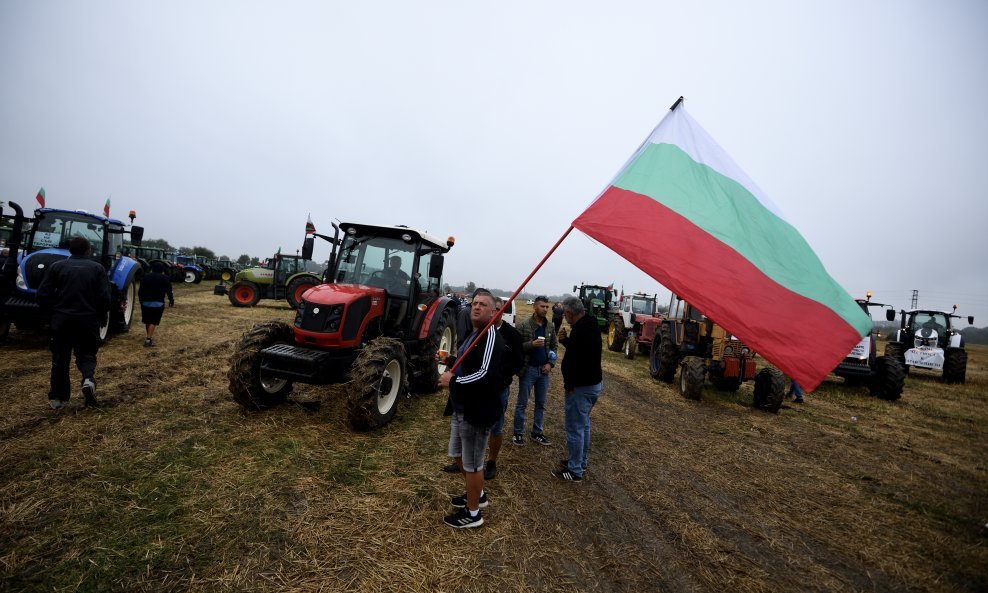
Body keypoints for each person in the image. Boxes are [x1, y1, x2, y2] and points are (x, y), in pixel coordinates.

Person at [439, 292, 504, 528]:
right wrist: (452, 362)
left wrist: (453, 382)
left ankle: (473, 514)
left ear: (493, 312)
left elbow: (484, 374)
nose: (476, 307)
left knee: (474, 464)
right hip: (461, 406)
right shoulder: (475, 334)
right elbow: (469, 365)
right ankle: (478, 493)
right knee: (457, 454)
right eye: (475, 303)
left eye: (483, 305)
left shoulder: (490, 337)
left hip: (477, 409)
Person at [35, 236, 111, 409]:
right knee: (86, 353)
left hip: (62, 320)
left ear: (70, 250)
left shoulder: (57, 267)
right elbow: (105, 298)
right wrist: (100, 316)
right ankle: (88, 379)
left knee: (60, 358)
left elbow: (42, 294)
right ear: (88, 250)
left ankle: (58, 398)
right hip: (88, 319)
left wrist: (52, 313)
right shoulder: (98, 269)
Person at [553, 296, 603, 482]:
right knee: (584, 426)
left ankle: (575, 471)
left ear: (568, 313)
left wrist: (569, 386)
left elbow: (575, 362)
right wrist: (567, 342)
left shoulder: (581, 330)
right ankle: (580, 461)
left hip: (581, 388)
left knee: (575, 428)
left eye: (565, 313)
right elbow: (581, 352)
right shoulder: (590, 325)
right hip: (593, 385)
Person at [483, 296, 524, 481]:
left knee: (496, 427)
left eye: (498, 309)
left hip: (499, 388)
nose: (495, 313)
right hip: (479, 386)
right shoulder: (481, 330)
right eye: (492, 309)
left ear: (503, 311)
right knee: (475, 424)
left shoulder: (512, 334)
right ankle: (468, 459)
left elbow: (518, 362)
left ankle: (491, 461)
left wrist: (504, 376)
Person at [512, 295, 557, 446]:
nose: (545, 309)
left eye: (547, 307)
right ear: (534, 307)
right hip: (528, 370)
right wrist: (531, 345)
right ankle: (518, 433)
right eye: (542, 306)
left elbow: (554, 347)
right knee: (522, 403)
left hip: (543, 371)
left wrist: (550, 364)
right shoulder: (523, 326)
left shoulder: (550, 327)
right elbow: (516, 348)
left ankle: (537, 432)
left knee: (540, 404)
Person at [138, 261, 174, 347]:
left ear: (152, 269)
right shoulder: (165, 278)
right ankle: (148, 339)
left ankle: (148, 336)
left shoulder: (146, 277)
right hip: (158, 303)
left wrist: (141, 301)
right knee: (153, 321)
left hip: (146, 303)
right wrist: (171, 300)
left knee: (147, 321)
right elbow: (169, 291)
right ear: (162, 269)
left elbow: (140, 291)